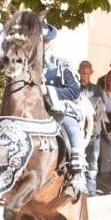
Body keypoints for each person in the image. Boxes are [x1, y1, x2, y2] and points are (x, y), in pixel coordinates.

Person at [41, 24, 88, 200]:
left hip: (57, 109)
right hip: (35, 110)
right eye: (41, 41)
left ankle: (77, 174)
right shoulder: (29, 65)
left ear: (51, 43)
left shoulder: (61, 65)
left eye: (46, 41)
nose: (43, 45)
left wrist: (48, 91)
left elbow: (73, 90)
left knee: (71, 126)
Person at [77, 61, 106, 195]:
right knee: (79, 161)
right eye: (83, 69)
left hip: (94, 131)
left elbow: (101, 108)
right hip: (78, 132)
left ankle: (91, 189)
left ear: (91, 72)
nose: (85, 72)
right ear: (79, 71)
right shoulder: (74, 88)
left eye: (87, 70)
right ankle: (81, 188)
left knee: (92, 162)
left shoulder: (97, 89)